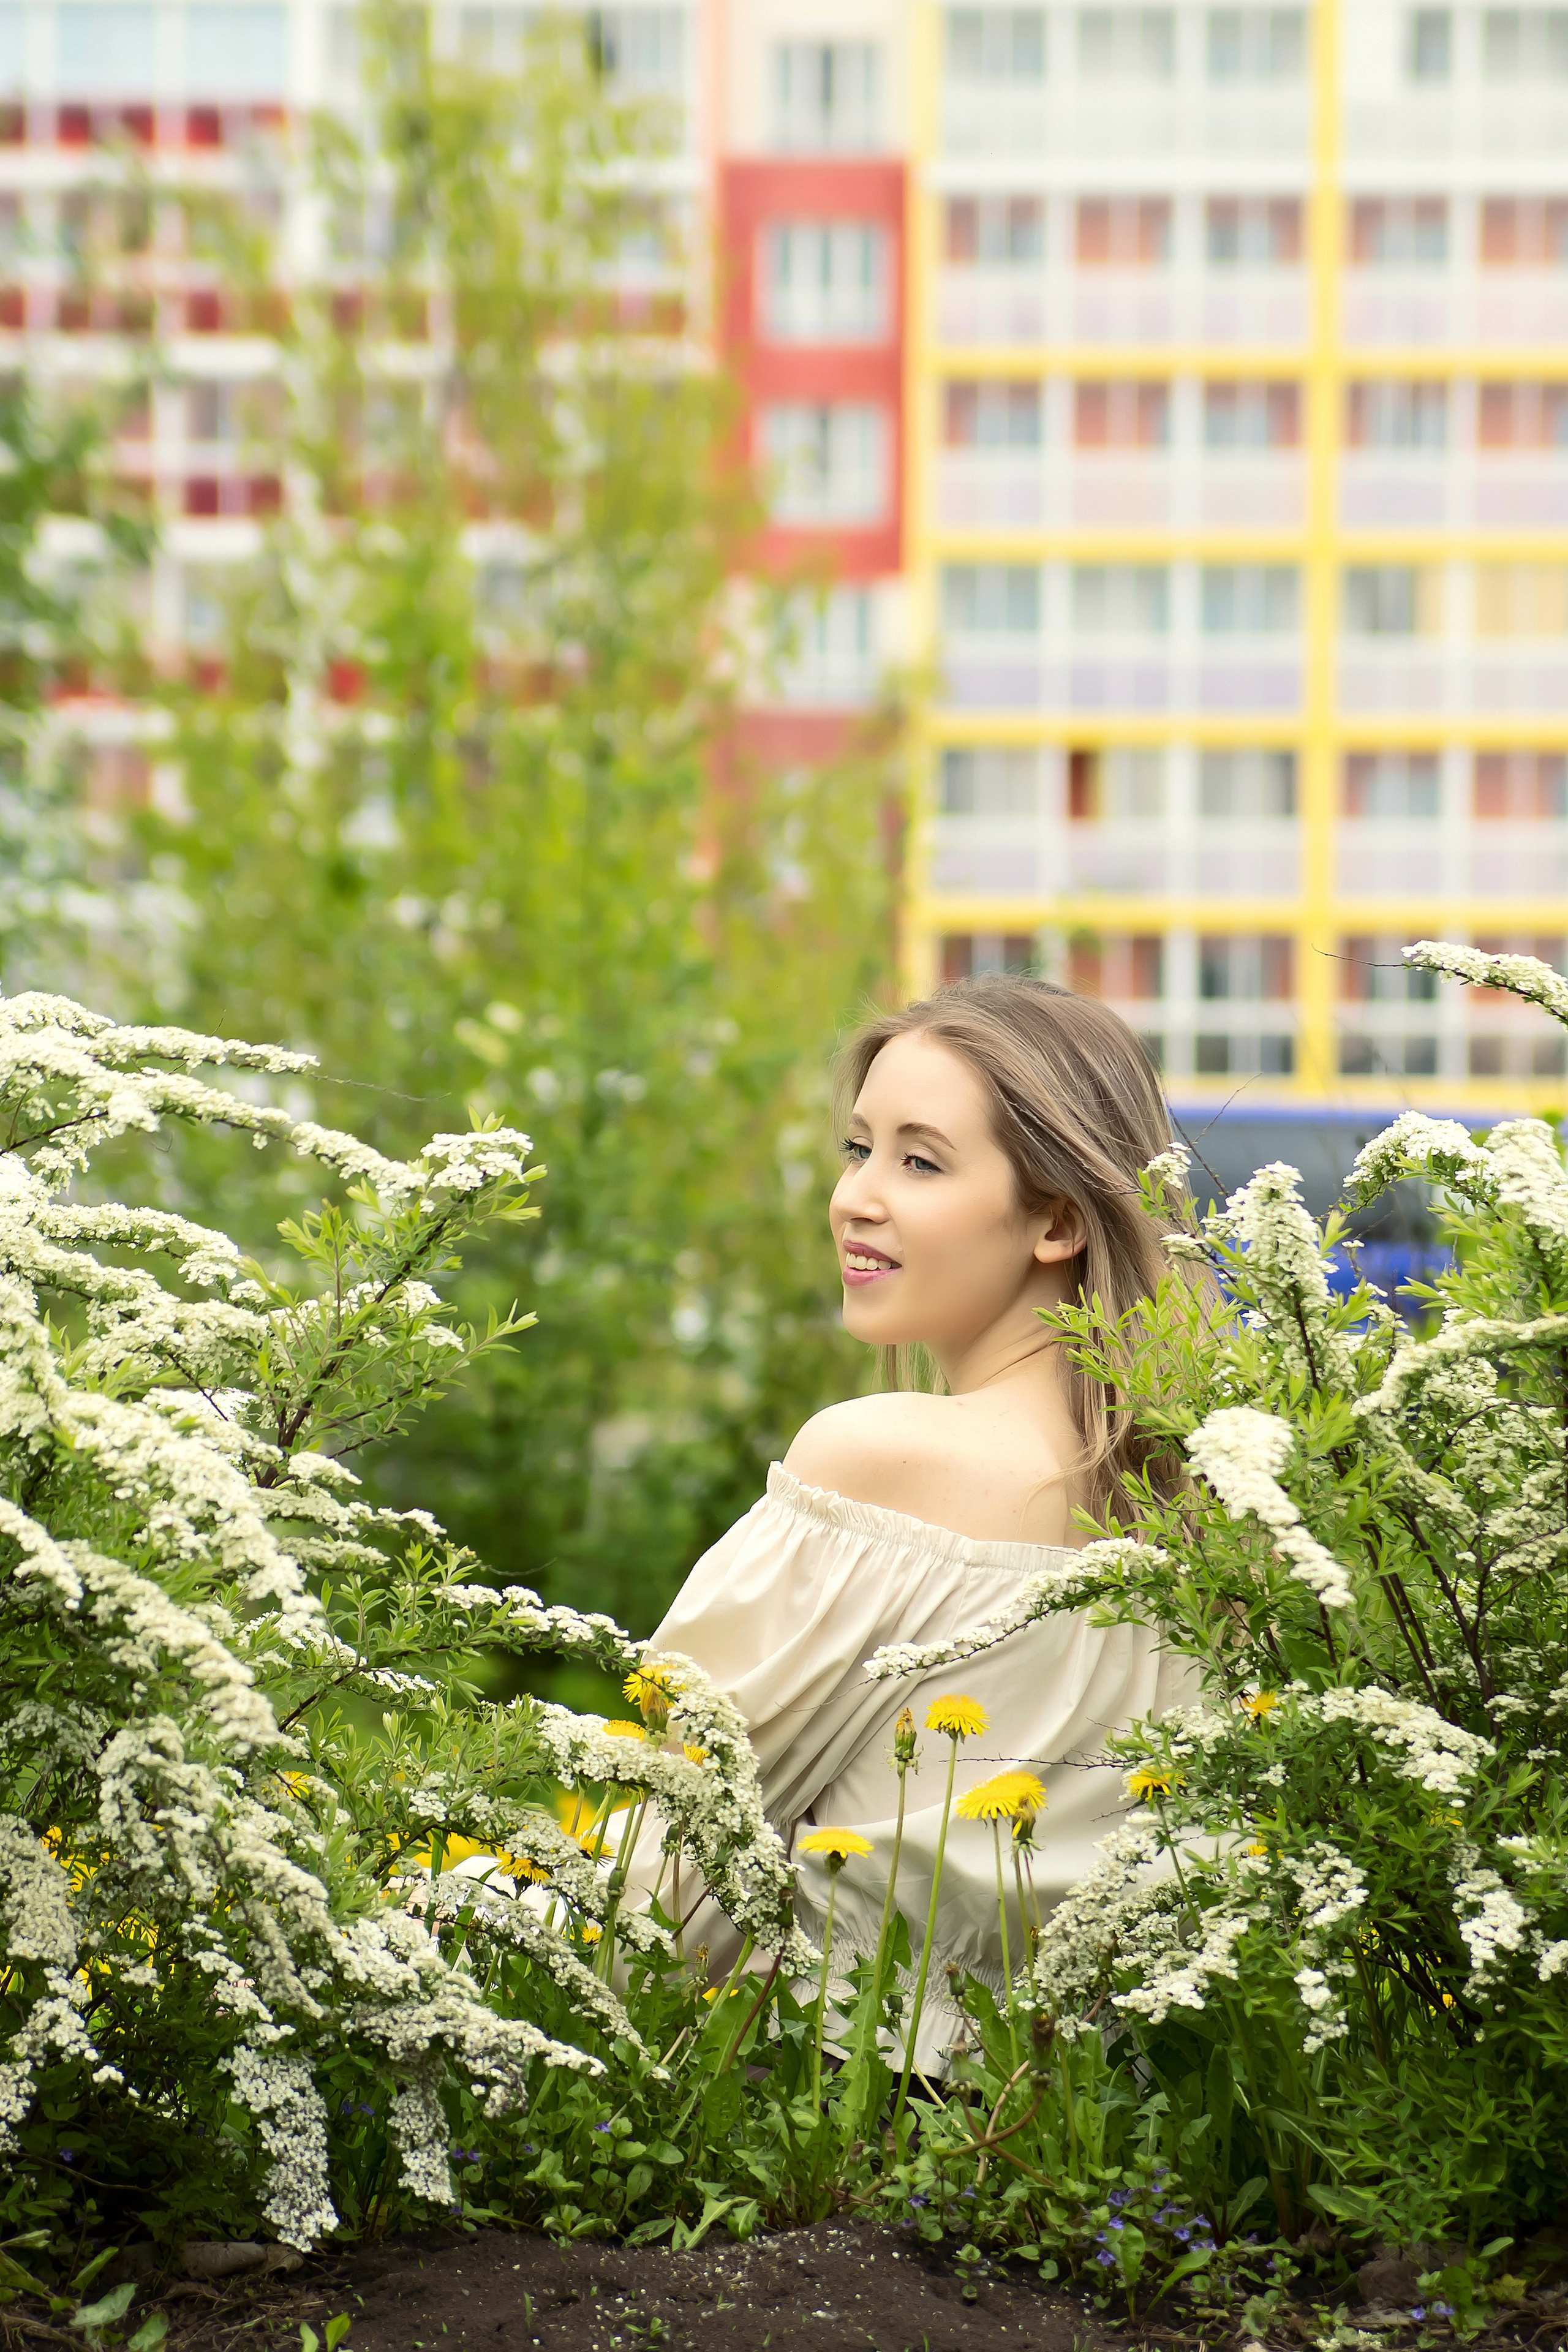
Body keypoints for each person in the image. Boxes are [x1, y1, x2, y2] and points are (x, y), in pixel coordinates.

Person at [630, 974, 1196, 2064]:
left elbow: (659, 1850)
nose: (857, 1197)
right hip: (1091, 2150)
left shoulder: (881, 1457)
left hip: (818, 2115)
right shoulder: (1197, 1505)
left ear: (1059, 1219)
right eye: (859, 1150)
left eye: (920, 1160)